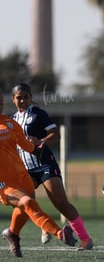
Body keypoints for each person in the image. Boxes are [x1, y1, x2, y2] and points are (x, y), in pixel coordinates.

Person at [10, 83, 93, 250]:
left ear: (31, 98)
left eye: (26, 97)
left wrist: (42, 141)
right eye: (19, 97)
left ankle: (85, 239)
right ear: (13, 99)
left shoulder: (38, 114)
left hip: (45, 164)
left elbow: (55, 133)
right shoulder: (12, 120)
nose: (23, 100)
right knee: (22, 202)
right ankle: (44, 226)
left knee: (61, 204)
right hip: (26, 169)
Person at [0, 90, 77, 257]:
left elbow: (27, 146)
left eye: (0, 101)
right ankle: (60, 234)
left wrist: (39, 149)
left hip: (23, 177)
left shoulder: (10, 123)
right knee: (27, 202)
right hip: (4, 184)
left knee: (24, 208)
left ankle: (12, 233)